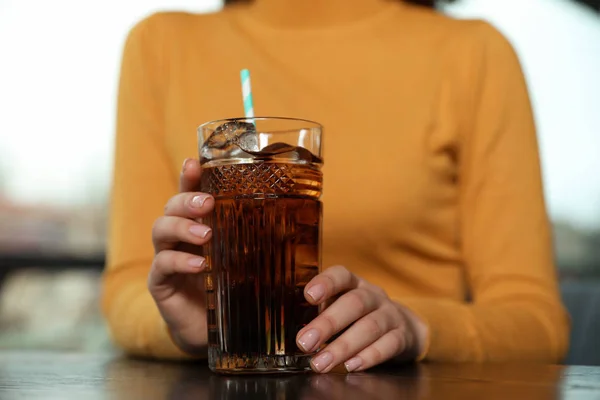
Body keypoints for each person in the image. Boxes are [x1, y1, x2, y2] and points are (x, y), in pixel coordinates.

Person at [102, 0, 570, 373]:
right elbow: (126, 287)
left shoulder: (475, 53)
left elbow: (536, 322)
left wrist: (416, 328)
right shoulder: (160, 44)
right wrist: (193, 323)